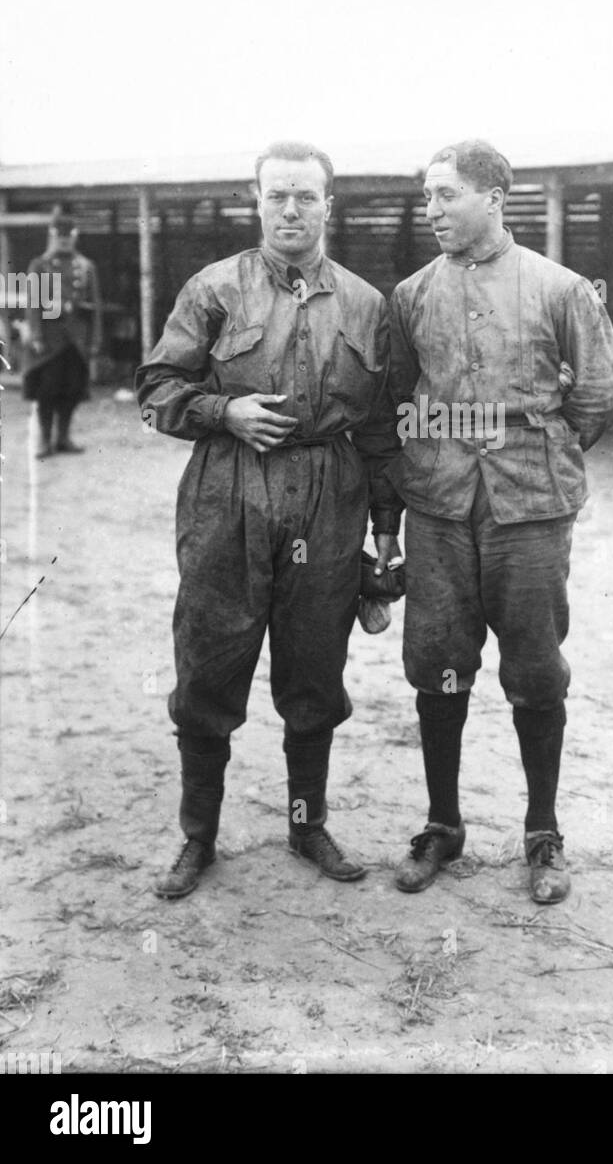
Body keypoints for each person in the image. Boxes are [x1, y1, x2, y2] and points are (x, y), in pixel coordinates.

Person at [136, 140, 402, 899]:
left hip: (328, 493)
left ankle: (305, 821)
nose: (291, 210)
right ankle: (199, 839)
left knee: (315, 667)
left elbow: (382, 428)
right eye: (277, 196)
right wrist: (225, 410)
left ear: (328, 207)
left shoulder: (365, 303)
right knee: (209, 667)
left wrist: (386, 530)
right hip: (229, 494)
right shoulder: (214, 289)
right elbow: (157, 389)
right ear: (257, 203)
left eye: (306, 197)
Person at [388, 139, 613, 904]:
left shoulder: (561, 290)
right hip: (439, 507)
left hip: (528, 510)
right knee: (439, 662)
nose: (433, 210)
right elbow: (399, 402)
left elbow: (599, 393)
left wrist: (542, 446)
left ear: (495, 198)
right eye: (426, 197)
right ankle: (443, 826)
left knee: (533, 670)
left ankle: (542, 832)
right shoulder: (412, 295)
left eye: (447, 195)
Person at [24, 213, 103, 457]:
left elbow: (95, 307)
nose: (64, 242)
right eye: (60, 237)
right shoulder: (40, 265)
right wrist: (36, 335)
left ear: (75, 237)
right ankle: (45, 440)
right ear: (52, 236)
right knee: (47, 391)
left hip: (77, 339)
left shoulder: (86, 266)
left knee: (72, 389)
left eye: (68, 237)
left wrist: (95, 338)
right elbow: (34, 303)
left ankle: (64, 438)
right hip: (50, 339)